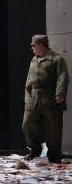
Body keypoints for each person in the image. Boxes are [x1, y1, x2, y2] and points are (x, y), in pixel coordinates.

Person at [22, 34, 69, 163]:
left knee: (53, 127)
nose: (31, 47)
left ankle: (54, 155)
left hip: (49, 96)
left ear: (41, 45)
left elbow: (62, 76)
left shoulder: (56, 59)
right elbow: (29, 78)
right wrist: (27, 93)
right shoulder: (33, 60)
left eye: (33, 44)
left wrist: (60, 93)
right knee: (27, 123)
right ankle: (34, 150)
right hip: (34, 97)